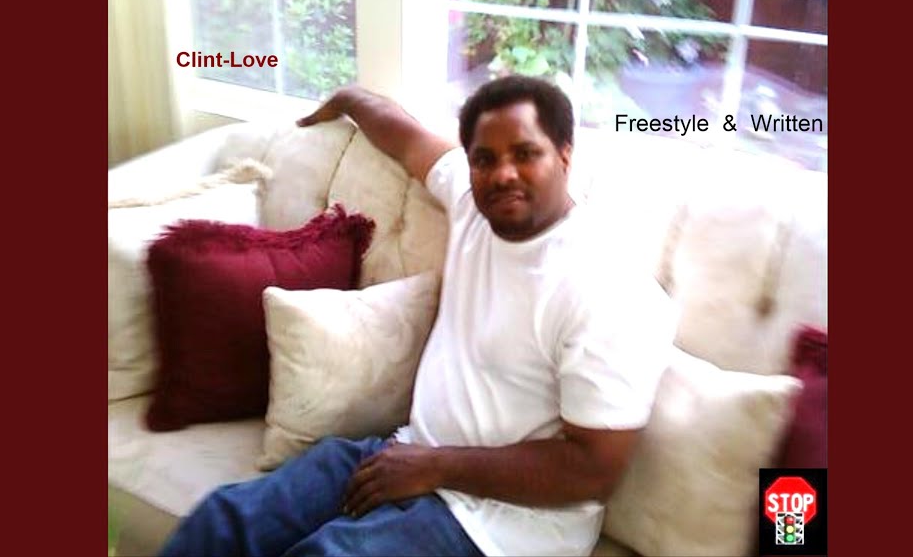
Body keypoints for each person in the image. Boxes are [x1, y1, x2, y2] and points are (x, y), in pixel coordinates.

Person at [160, 77, 675, 557]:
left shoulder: (609, 290)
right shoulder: (473, 207)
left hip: (507, 526)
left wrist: (436, 467)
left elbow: (592, 471)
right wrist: (350, 98)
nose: (503, 174)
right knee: (222, 520)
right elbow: (405, 138)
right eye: (485, 158)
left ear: (564, 154)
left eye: (525, 154)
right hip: (409, 454)